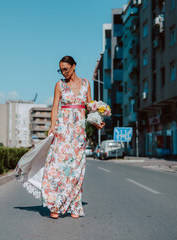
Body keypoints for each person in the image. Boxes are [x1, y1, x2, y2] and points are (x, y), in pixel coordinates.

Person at [42, 56, 105, 219]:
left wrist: (97, 122)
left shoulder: (85, 84)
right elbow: (55, 107)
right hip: (63, 130)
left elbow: (90, 106)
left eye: (66, 69)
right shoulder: (60, 85)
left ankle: (74, 205)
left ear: (74, 66)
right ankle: (55, 205)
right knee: (57, 167)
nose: (63, 73)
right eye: (61, 70)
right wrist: (52, 127)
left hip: (78, 133)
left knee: (76, 169)